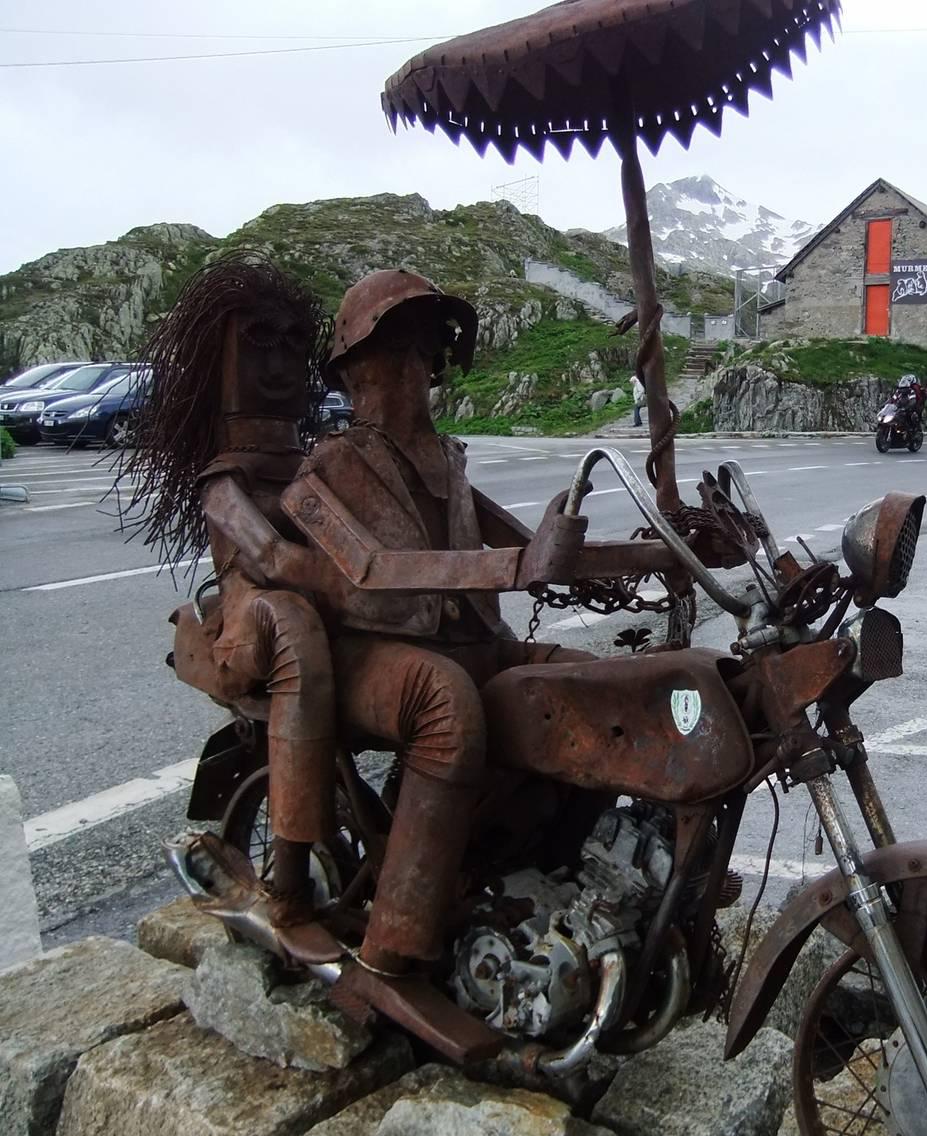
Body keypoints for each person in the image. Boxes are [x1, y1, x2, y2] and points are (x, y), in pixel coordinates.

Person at [283, 269, 591, 987]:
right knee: (445, 704)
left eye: (422, 350)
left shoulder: (450, 459)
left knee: (591, 685)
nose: (413, 367)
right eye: (395, 349)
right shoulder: (328, 468)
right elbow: (368, 567)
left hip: (474, 641)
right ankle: (389, 952)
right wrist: (517, 565)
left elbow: (511, 539)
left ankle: (541, 880)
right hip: (373, 653)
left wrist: (591, 552)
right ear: (354, 370)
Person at [118, 252, 342, 962]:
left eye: (290, 346)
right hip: (257, 616)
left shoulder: (317, 458)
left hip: (332, 597)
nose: (278, 365)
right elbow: (268, 554)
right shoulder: (226, 477)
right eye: (257, 345)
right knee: (297, 637)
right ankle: (290, 887)